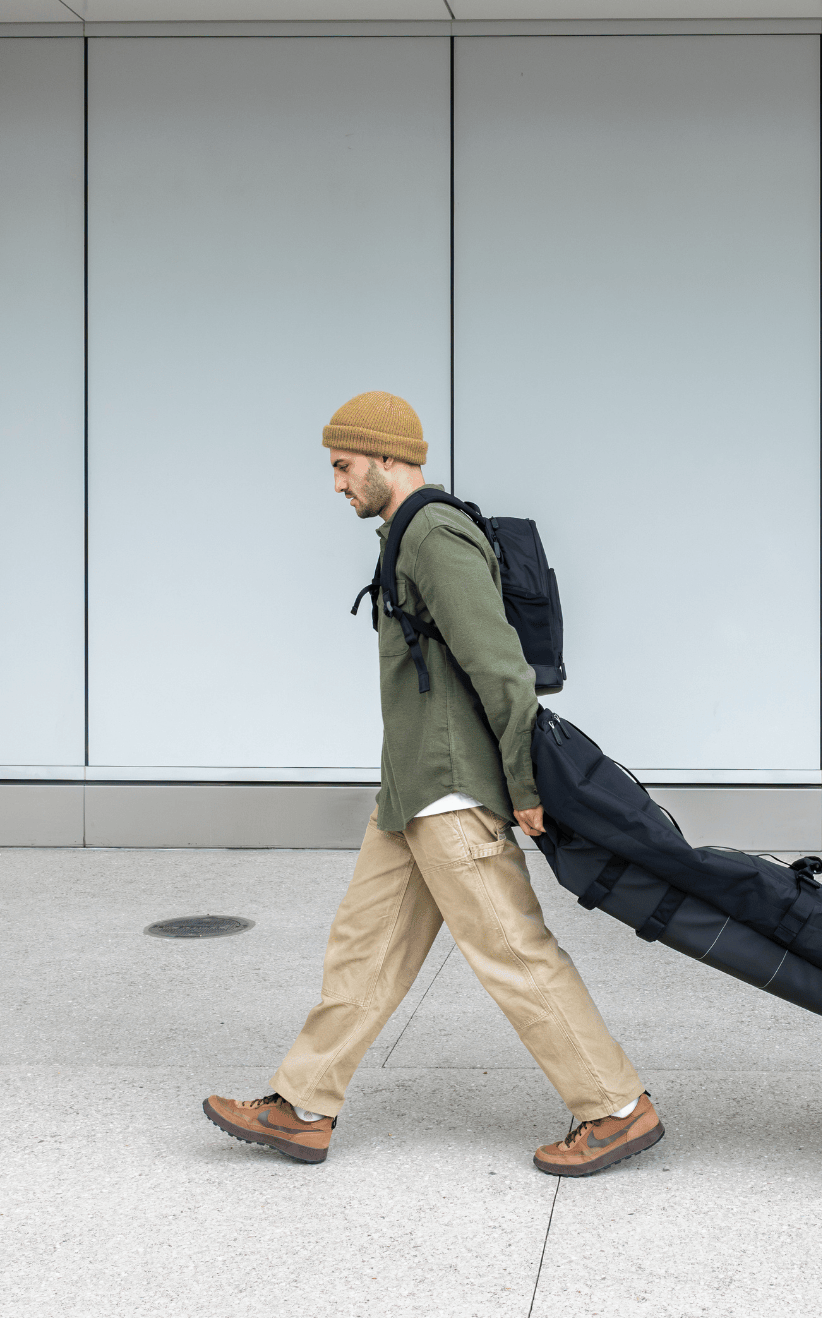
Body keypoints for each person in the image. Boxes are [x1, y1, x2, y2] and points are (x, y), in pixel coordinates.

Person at [203, 391, 661, 1176]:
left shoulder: (436, 535)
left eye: (344, 466)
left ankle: (615, 1108)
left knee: (513, 952)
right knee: (362, 949)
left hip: (451, 795)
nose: (336, 483)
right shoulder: (402, 535)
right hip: (410, 794)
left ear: (386, 458)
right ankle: (304, 1106)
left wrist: (522, 784)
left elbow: (502, 670)